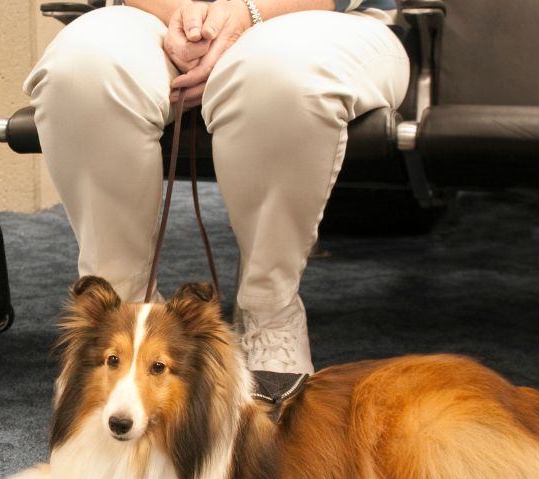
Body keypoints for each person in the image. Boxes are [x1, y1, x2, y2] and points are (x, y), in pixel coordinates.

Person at [24, 0, 409, 383]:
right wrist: (191, 21)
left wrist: (243, 16)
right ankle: (121, 315)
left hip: (321, 17)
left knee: (278, 74)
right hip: (158, 15)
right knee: (79, 71)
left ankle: (269, 312)